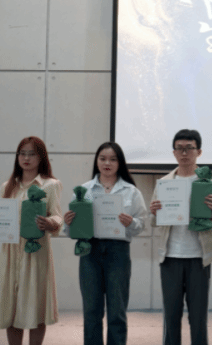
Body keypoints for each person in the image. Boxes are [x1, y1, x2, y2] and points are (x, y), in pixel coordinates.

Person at [63, 142, 147, 345]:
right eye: (102, 159)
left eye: (113, 159)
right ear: (96, 161)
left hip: (118, 252)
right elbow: (71, 232)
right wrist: (69, 223)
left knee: (117, 311)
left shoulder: (131, 191)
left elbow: (142, 224)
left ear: (120, 163)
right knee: (91, 310)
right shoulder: (84, 190)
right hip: (90, 251)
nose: (107, 163)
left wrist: (131, 222)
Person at [149, 129, 212, 345]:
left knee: (198, 317)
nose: (184, 153)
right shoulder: (164, 182)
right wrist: (154, 212)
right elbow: (153, 222)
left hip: (199, 256)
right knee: (171, 316)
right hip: (170, 256)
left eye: (189, 148)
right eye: (179, 148)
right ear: (173, 152)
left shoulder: (209, 182)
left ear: (199, 152)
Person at [0, 136, 63, 345]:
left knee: (35, 306)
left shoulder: (50, 185)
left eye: (31, 153)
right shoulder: (7, 186)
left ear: (41, 157)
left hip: (36, 253)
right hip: (10, 252)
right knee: (11, 307)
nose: (26, 158)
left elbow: (57, 215)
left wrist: (49, 222)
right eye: (22, 153)